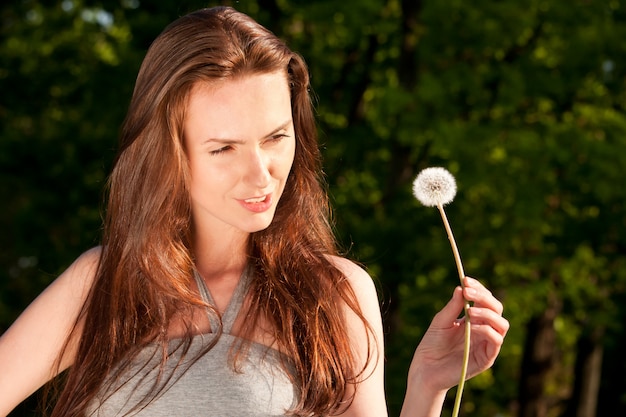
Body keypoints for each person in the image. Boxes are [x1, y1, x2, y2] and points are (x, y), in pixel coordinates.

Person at [0, 6, 509, 417]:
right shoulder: (103, 284)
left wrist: (426, 385)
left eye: (275, 137)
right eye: (224, 149)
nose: (262, 174)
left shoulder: (334, 294)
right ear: (167, 153)